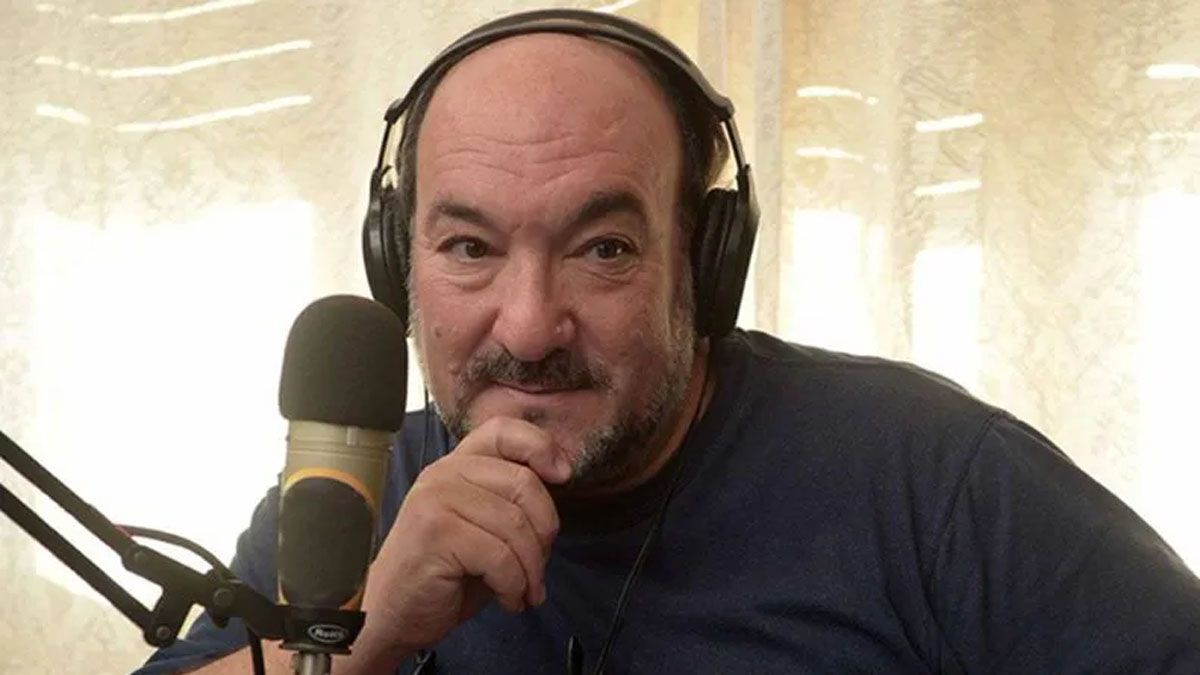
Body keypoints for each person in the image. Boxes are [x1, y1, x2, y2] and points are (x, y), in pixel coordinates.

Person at [138, 9, 1200, 675]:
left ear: (706, 259)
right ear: (395, 262)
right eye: (469, 247)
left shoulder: (936, 478)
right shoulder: (348, 501)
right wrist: (369, 629)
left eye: (603, 249)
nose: (528, 326)